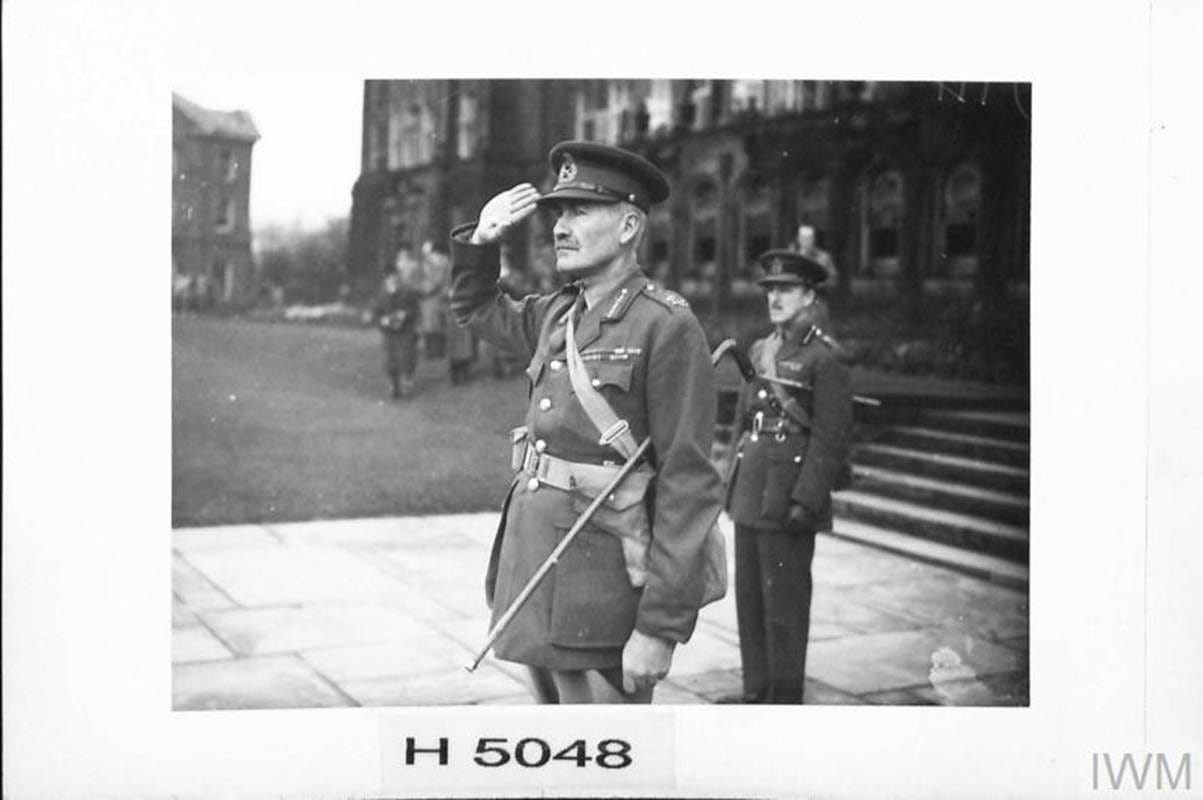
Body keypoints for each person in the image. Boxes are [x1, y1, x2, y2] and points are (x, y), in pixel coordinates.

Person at [449, 141, 724, 704]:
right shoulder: (558, 312)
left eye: (579, 211)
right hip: (535, 572)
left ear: (629, 226)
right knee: (556, 739)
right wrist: (482, 240)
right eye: (558, 212)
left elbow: (688, 484)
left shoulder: (665, 325)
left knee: (606, 745)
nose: (559, 227)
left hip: (601, 593)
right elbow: (476, 309)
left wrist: (658, 629)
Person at [722, 249, 853, 704]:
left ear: (809, 295)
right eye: (770, 289)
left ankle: (783, 697)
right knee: (750, 600)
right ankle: (755, 690)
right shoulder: (762, 350)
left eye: (786, 290)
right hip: (751, 488)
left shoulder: (825, 358)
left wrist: (806, 499)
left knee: (785, 605)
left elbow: (831, 437)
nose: (775, 298)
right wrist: (731, 480)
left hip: (788, 494)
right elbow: (743, 422)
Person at [372, 268, 421, 399]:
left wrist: (405, 314)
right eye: (389, 278)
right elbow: (376, 314)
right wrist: (382, 320)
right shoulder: (381, 295)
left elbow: (416, 310)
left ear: (399, 278)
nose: (393, 280)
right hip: (389, 333)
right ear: (385, 279)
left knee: (407, 358)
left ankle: (407, 384)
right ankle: (394, 386)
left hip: (406, 330)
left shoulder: (407, 292)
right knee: (390, 360)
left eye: (395, 277)